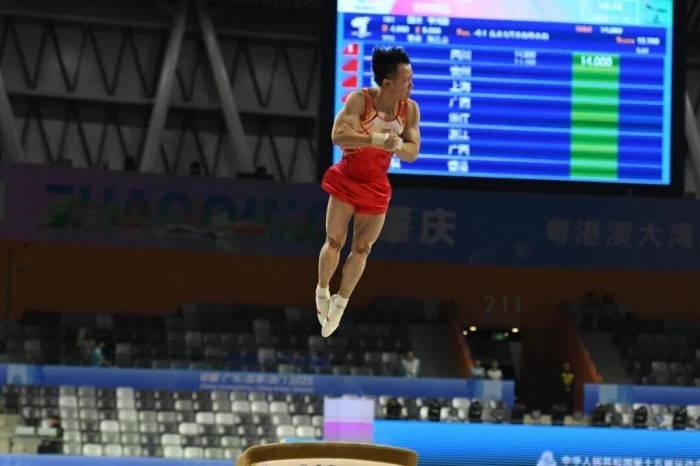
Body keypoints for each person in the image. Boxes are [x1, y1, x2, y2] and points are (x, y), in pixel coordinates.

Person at [316, 46, 421, 337]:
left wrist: (397, 145)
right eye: (406, 80)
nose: (411, 86)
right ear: (387, 83)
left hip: (376, 184)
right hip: (348, 178)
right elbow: (338, 136)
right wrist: (376, 139)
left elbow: (412, 152)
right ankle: (322, 290)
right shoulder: (360, 100)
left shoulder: (410, 109)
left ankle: (340, 303)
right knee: (335, 241)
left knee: (362, 249)